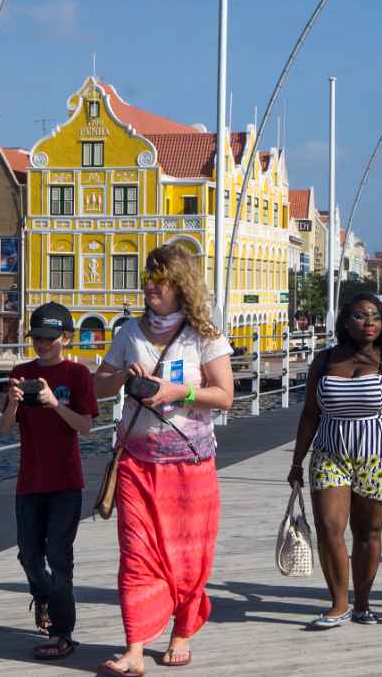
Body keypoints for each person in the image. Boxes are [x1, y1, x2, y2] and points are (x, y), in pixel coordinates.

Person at [94, 243, 235, 675]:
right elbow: (99, 388)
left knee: (189, 558)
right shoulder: (129, 334)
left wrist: (181, 392)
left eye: (161, 278)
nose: (151, 286)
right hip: (137, 463)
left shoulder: (205, 337)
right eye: (149, 278)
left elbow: (225, 397)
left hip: (190, 467)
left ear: (181, 285)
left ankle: (182, 632)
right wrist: (120, 376)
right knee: (136, 554)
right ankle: (135, 648)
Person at [288, 293, 382, 629]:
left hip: (377, 455)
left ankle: (363, 603)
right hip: (329, 454)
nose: (369, 322)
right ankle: (339, 603)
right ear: (344, 321)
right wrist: (297, 462)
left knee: (368, 532)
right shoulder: (324, 362)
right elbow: (310, 414)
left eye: (375, 316)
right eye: (360, 315)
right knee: (328, 527)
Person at [0, 302, 99, 661]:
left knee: (59, 557)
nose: (41, 344)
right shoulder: (20, 371)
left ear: (66, 339)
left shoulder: (78, 375)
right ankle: (42, 596)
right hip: (29, 482)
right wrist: (13, 403)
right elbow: (6, 427)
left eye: (49, 338)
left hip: (66, 483)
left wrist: (54, 403)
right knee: (29, 555)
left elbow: (86, 427)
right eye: (37, 337)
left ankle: (63, 632)